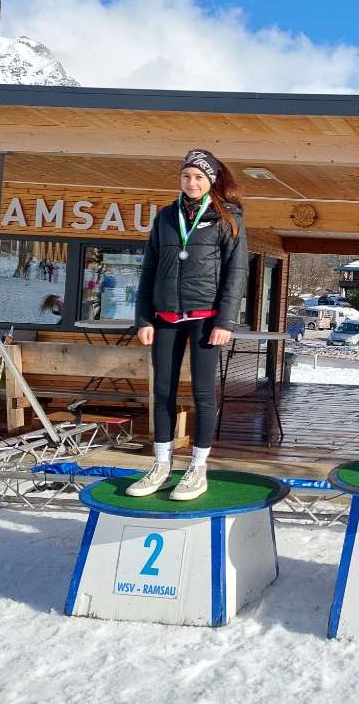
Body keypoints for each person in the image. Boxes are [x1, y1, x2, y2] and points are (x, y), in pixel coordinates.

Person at [128, 150, 247, 501]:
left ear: (211, 180)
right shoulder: (166, 217)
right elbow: (148, 271)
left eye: (198, 177)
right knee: (162, 391)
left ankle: (198, 468)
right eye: (186, 177)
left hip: (206, 319)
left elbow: (236, 273)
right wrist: (144, 318)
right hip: (165, 317)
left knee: (202, 394)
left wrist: (225, 319)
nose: (191, 183)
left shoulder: (228, 218)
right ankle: (162, 465)